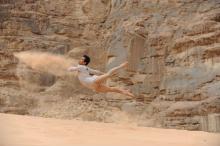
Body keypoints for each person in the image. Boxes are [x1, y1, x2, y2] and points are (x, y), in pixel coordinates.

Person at [68, 55, 135, 98]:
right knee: (111, 89)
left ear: (84, 63)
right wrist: (104, 74)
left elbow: (71, 69)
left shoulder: (80, 67)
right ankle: (125, 92)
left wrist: (71, 68)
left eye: (82, 59)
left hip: (92, 83)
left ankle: (121, 66)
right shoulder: (86, 68)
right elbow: (96, 72)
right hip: (93, 85)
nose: (80, 60)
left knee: (109, 77)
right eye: (81, 59)